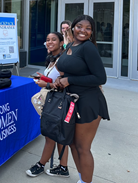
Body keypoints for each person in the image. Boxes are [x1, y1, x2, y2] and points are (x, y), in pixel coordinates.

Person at [54, 14, 109, 183]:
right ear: (73, 27)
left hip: (88, 102)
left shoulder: (88, 48)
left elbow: (101, 78)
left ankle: (86, 181)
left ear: (92, 32)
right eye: (79, 26)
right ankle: (82, 179)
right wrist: (59, 79)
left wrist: (69, 80)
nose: (83, 31)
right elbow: (69, 69)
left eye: (88, 28)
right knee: (72, 144)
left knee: (83, 147)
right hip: (72, 101)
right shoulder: (71, 45)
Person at [26, 32, 70, 178]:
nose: (49, 42)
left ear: (61, 42)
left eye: (53, 40)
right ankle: (63, 168)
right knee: (56, 134)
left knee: (51, 135)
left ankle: (41, 165)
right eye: (47, 40)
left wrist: (46, 84)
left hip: (56, 102)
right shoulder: (52, 59)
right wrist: (43, 77)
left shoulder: (63, 60)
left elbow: (65, 84)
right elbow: (54, 79)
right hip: (51, 100)